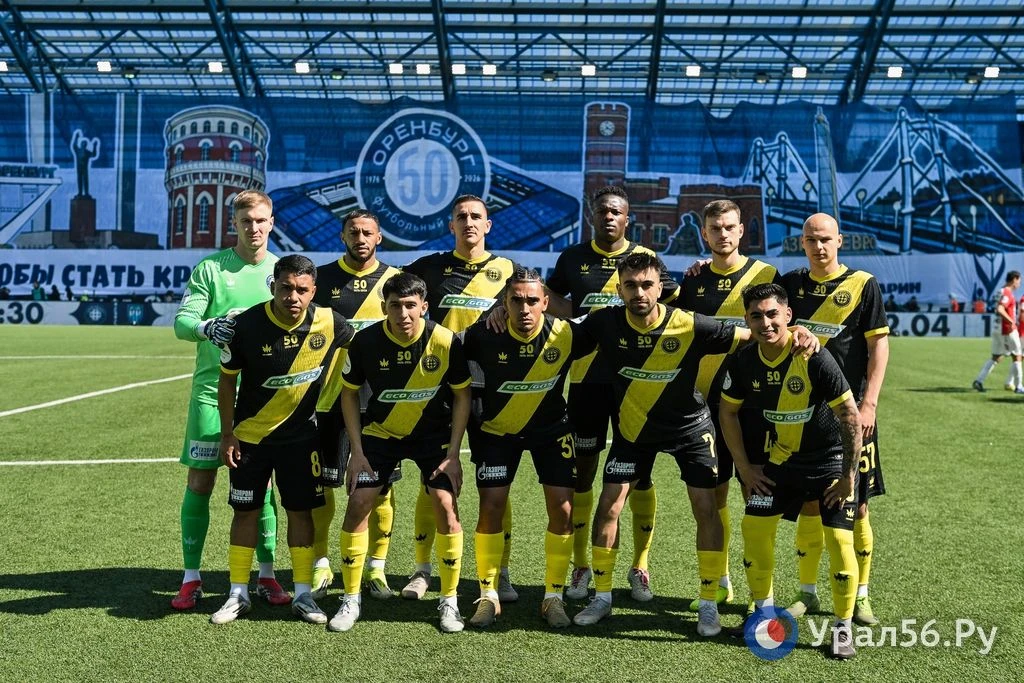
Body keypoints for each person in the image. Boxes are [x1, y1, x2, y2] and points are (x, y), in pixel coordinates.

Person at [570, 251, 741, 634]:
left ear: (660, 287)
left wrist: (796, 335)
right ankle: (602, 597)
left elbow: (751, 336)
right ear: (619, 290)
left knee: (706, 508)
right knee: (609, 505)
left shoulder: (689, 323)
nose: (639, 293)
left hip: (690, 429)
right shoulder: (603, 322)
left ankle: (708, 603)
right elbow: (556, 333)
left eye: (647, 284)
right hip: (635, 431)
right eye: (630, 286)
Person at [538, 186, 678, 603]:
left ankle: (640, 565)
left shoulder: (645, 259)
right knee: (583, 471)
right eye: (603, 211)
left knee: (640, 474)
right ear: (592, 216)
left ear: (627, 218)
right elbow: (549, 297)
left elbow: (672, 299)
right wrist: (575, 316)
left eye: (617, 212)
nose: (609, 217)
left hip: (636, 383)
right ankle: (582, 565)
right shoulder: (572, 258)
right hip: (586, 381)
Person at [720, 282, 862, 659]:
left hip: (829, 462)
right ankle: (763, 617)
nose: (765, 323)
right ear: (746, 319)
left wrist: (848, 476)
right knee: (754, 528)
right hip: (780, 461)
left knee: (839, 540)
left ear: (788, 315)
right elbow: (728, 412)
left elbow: (850, 415)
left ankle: (843, 628)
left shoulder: (813, 355)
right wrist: (745, 468)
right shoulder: (744, 361)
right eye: (756, 316)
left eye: (772, 314)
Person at [211, 254, 355, 625]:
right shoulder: (246, 326)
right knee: (246, 511)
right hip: (250, 439)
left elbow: (365, 346)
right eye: (286, 288)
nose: (293, 297)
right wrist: (227, 433)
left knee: (300, 512)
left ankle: (303, 594)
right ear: (273, 286)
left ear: (313, 291)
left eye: (302, 290)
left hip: (302, 439)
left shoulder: (331, 322)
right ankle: (238, 592)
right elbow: (226, 381)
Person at [329, 272, 472, 633]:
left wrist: (454, 452)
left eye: (411, 305)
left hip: (433, 436)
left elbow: (462, 395)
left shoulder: (445, 340)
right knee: (359, 503)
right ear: (384, 308)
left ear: (424, 306)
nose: (403, 313)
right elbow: (349, 393)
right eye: (395, 306)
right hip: (380, 434)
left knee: (445, 505)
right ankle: (350, 598)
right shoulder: (366, 342)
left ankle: (450, 600)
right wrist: (356, 451)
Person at [170, 190, 285, 611]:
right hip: (210, 394)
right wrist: (208, 327)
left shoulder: (281, 271)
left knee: (263, 488)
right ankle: (191, 578)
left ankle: (267, 575)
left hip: (263, 399)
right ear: (233, 224)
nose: (253, 228)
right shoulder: (211, 269)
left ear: (271, 223)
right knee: (201, 482)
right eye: (245, 221)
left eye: (260, 220)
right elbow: (182, 323)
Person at [462, 267, 592, 629]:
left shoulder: (567, 333)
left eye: (532, 300)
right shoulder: (481, 335)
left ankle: (553, 597)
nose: (524, 308)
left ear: (545, 302)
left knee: (563, 508)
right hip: (497, 431)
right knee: (490, 506)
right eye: (515, 300)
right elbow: (440, 348)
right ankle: (488, 595)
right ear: (503, 303)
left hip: (550, 431)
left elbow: (615, 322)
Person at [403, 195, 518, 603]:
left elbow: (537, 309)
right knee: (432, 480)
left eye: (476, 217)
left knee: (496, 484)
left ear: (488, 225)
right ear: (450, 225)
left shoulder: (509, 271)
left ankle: (501, 572)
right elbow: (394, 294)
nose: (468, 222)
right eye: (461, 217)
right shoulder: (427, 268)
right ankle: (422, 570)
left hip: (490, 390)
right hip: (438, 388)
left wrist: (506, 307)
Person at [782, 213, 889, 627]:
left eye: (825, 239)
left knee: (857, 506)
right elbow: (760, 310)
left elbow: (878, 347)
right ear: (802, 243)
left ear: (839, 241)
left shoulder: (863, 284)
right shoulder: (790, 284)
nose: (819, 246)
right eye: (811, 239)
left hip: (851, 415)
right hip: (802, 414)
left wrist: (870, 405)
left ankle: (861, 594)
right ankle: (806, 593)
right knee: (810, 502)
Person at [676, 199, 780, 612]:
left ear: (741, 231)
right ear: (705, 234)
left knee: (757, 495)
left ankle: (761, 593)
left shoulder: (766, 276)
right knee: (713, 498)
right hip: (704, 408)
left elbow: (781, 328)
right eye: (715, 228)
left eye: (729, 227)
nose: (722, 234)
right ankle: (720, 583)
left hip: (754, 406)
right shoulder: (693, 281)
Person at [311, 208, 403, 601]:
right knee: (322, 484)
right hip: (330, 398)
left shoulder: (396, 279)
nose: (361, 238)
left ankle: (376, 568)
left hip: (381, 402)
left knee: (381, 488)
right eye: (354, 232)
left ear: (379, 237)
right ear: (342, 236)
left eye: (368, 232)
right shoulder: (320, 280)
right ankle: (320, 563)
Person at [973, 271, 1023, 394]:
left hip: (997, 328)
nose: (1019, 284)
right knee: (1017, 356)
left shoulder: (1000, 291)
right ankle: (1019, 386)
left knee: (996, 357)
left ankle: (979, 380)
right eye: (1019, 281)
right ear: (1014, 279)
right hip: (1007, 329)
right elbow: (1000, 308)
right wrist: (1011, 321)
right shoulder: (1007, 293)